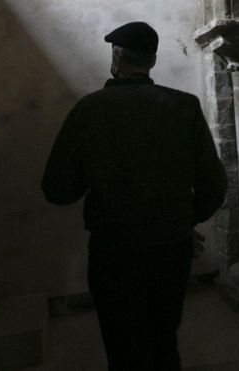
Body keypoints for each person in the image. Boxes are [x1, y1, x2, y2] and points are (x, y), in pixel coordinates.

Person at [41, 21, 227, 371]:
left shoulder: (89, 110)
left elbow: (58, 189)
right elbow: (214, 186)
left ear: (117, 56)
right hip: (171, 247)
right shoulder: (183, 106)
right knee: (163, 340)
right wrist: (181, 220)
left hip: (114, 251)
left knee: (123, 345)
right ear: (152, 61)